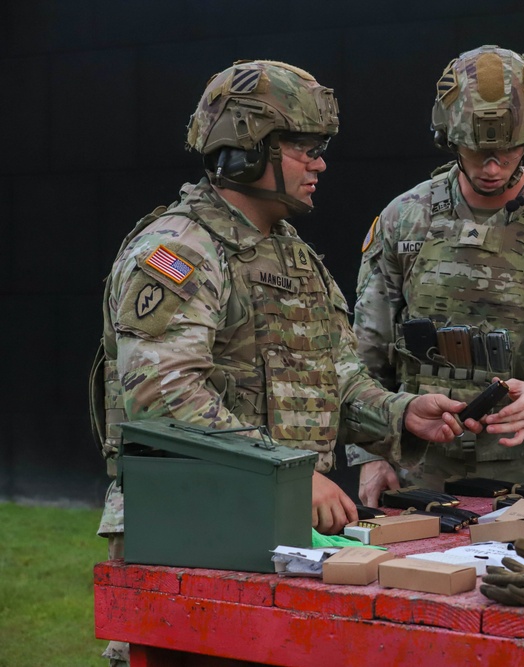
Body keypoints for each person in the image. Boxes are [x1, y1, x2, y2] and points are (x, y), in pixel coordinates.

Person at [92, 61, 479, 664]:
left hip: (279, 536)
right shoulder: (179, 250)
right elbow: (163, 397)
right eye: (302, 148)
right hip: (192, 534)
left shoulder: (293, 255)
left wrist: (404, 414)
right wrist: (291, 479)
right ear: (244, 150)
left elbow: (335, 381)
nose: (320, 163)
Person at [347, 45, 524, 506]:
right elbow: (365, 351)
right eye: (477, 152)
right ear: (449, 138)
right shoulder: (406, 218)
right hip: (420, 470)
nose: (492, 167)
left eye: (508, 151)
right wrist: (370, 454)